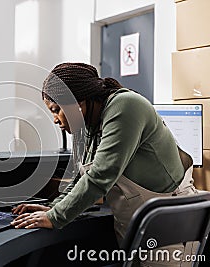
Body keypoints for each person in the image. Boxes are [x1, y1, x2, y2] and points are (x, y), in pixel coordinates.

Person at [11, 62, 197, 266]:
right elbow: (84, 176)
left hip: (169, 228)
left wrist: (56, 217)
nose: (55, 120)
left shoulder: (126, 105)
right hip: (139, 226)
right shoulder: (90, 123)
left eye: (56, 110)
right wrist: (52, 208)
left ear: (77, 102)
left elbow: (100, 175)